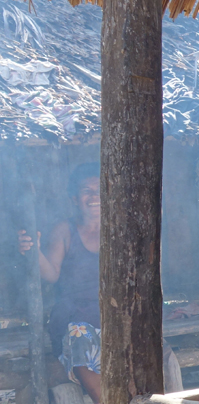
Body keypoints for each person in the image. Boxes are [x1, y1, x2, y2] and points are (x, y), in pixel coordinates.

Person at [18, 163, 103, 403]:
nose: (94, 196)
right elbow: (52, 273)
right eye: (86, 190)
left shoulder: (121, 227)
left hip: (113, 313)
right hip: (76, 315)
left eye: (99, 189)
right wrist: (33, 252)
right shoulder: (65, 230)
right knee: (80, 338)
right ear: (75, 199)